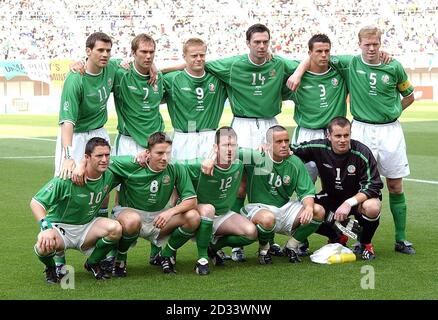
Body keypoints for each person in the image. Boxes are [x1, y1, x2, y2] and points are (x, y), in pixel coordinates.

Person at [205, 24, 301, 259]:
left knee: (268, 179)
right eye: (257, 42)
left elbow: (307, 63)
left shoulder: (278, 63)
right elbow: (199, 64)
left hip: (270, 123)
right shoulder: (234, 64)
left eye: (265, 42)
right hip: (243, 124)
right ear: (248, 42)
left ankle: (267, 239)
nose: (261, 46)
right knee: (241, 183)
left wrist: (297, 73)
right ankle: (237, 243)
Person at [329, 26, 416, 254]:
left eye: (375, 44)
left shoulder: (394, 65)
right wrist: (298, 72)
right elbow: (318, 56)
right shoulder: (350, 63)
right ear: (359, 44)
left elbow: (409, 95)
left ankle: (401, 239)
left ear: (380, 43)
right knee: (359, 186)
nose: (371, 48)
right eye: (367, 44)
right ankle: (361, 238)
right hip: (362, 130)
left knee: (395, 185)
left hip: (391, 131)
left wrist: (395, 111)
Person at [53, 32, 120, 274]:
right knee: (65, 189)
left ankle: (95, 250)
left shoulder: (112, 68)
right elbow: (67, 123)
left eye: (108, 50)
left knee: (102, 189)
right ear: (88, 51)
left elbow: (140, 64)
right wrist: (69, 156)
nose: (105, 54)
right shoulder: (75, 79)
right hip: (77, 136)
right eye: (100, 50)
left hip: (99, 132)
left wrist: (153, 66)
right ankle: (58, 259)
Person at [31, 137, 122, 283]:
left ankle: (92, 263)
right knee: (43, 244)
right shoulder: (67, 177)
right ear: (87, 157)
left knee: (115, 228)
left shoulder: (110, 173)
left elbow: (131, 161)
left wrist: (141, 156)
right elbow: (36, 203)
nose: (104, 159)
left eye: (107, 155)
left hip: (87, 226)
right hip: (60, 228)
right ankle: (51, 267)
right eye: (99, 155)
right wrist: (45, 227)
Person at [292, 117, 384, 260]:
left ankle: (365, 244)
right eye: (338, 136)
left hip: (356, 201)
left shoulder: (362, 152)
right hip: (331, 198)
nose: (342, 140)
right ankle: (336, 236)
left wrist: (348, 203)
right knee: (301, 211)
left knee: (372, 206)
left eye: (346, 135)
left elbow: (374, 185)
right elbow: (292, 150)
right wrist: (269, 147)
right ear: (328, 136)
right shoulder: (320, 147)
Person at [108, 132, 199, 275]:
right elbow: (101, 161)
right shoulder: (132, 164)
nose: (165, 158)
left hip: (159, 217)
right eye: (159, 153)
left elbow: (192, 200)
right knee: (132, 220)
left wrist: (170, 212)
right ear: (148, 153)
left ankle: (167, 254)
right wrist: (81, 164)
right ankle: (120, 257)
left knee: (193, 217)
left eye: (168, 153)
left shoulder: (176, 167)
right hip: (130, 213)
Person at [239, 125, 325, 263]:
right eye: (279, 142)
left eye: (286, 141)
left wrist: (308, 207)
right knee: (268, 218)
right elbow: (230, 151)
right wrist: (211, 159)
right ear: (267, 144)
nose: (284, 145)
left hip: (284, 209)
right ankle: (264, 249)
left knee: (318, 211)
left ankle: (291, 247)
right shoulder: (257, 157)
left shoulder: (294, 162)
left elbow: (307, 191)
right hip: (259, 209)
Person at [184, 127, 257, 274]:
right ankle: (202, 259)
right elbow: (173, 167)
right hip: (198, 214)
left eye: (233, 145)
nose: (230, 149)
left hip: (223, 214)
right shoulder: (199, 164)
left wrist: (265, 147)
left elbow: (263, 155)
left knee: (251, 233)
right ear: (216, 147)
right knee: (208, 209)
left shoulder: (239, 160)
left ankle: (215, 246)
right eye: (225, 145)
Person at [282, 34, 347, 182]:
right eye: (318, 51)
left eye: (327, 51)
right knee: (305, 182)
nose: (324, 55)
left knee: (336, 184)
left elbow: (363, 58)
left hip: (334, 135)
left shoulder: (340, 71)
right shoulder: (296, 75)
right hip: (306, 134)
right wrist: (298, 72)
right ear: (309, 53)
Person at [162, 38, 228, 160]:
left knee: (210, 177)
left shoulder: (218, 79)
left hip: (210, 137)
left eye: (202, 55)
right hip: (183, 138)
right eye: (194, 55)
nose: (199, 59)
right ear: (184, 56)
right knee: (182, 176)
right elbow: (150, 77)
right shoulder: (172, 79)